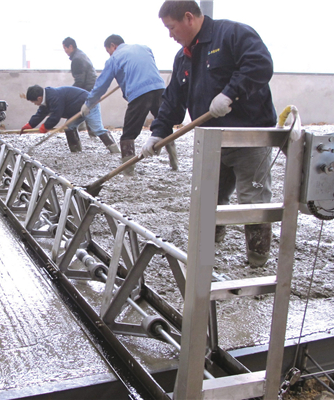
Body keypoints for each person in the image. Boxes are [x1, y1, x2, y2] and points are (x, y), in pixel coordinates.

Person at [142, 1, 277, 268]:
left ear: (188, 18)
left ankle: (258, 261)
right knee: (210, 197)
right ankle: (209, 246)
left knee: (253, 200)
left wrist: (230, 93)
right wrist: (158, 132)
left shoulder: (231, 35)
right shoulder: (184, 57)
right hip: (211, 141)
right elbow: (173, 99)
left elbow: (260, 64)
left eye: (171, 27)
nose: (170, 35)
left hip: (248, 136)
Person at [81, 34, 176, 175]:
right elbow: (147, 68)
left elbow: (101, 86)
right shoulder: (144, 48)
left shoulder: (114, 59)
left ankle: (128, 172)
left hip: (139, 93)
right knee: (164, 124)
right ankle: (174, 163)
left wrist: (88, 104)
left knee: (128, 134)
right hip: (159, 88)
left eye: (108, 51)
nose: (109, 54)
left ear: (113, 46)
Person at [20, 85, 120, 154]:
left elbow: (56, 115)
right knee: (69, 127)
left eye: (34, 102)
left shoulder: (54, 97)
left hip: (89, 104)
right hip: (77, 110)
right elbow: (41, 113)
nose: (35, 104)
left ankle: (115, 151)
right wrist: (29, 125)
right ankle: (76, 152)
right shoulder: (47, 98)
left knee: (97, 129)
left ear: (39, 98)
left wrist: (46, 126)